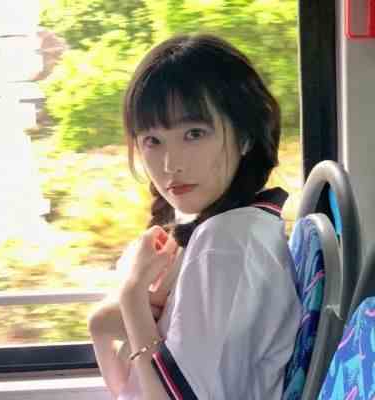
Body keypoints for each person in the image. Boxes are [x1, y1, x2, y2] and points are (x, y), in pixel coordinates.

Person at [88, 33, 301, 400]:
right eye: (152, 141)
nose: (171, 164)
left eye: (194, 133)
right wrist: (103, 324)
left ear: (245, 136)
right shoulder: (223, 230)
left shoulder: (227, 242)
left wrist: (133, 295)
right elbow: (129, 386)